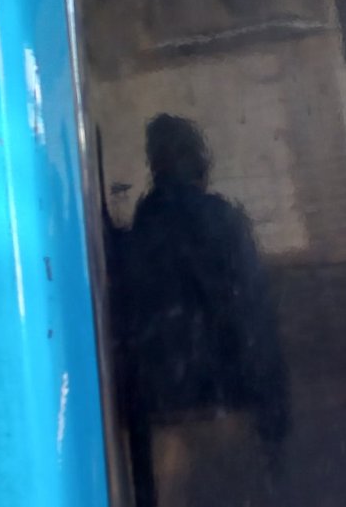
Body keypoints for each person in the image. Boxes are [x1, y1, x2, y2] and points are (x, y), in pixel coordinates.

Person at [111, 114, 289, 507]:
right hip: (226, 405)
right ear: (199, 159)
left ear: (154, 165)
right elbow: (254, 318)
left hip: (156, 419)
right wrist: (273, 416)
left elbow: (124, 335)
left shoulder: (134, 236)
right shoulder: (222, 222)